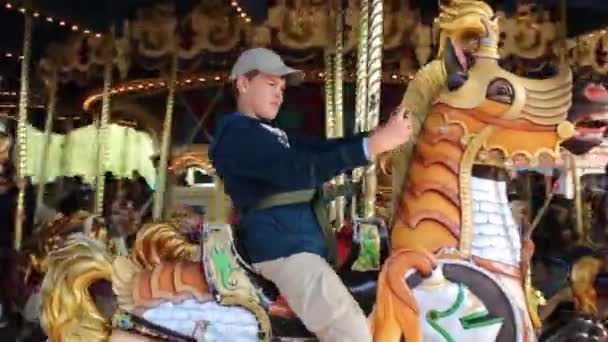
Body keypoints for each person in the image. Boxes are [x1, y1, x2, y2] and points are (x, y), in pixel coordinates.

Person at [210, 48, 413, 342]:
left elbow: (321, 149)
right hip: (282, 249)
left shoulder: (272, 133)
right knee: (351, 331)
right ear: (243, 84)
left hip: (298, 244)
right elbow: (299, 170)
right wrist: (371, 147)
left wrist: (374, 138)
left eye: (281, 87)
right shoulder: (236, 134)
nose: (279, 94)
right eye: (271, 84)